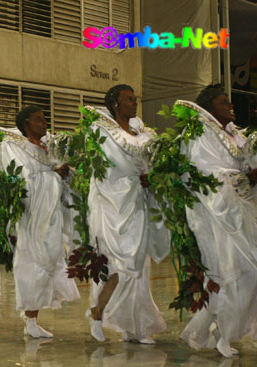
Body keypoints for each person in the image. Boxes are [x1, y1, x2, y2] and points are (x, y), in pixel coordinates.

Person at [85, 85, 169, 344]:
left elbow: (154, 162)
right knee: (116, 264)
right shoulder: (101, 131)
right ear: (115, 104)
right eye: (128, 100)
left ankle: (135, 327)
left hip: (138, 204)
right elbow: (111, 166)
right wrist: (138, 172)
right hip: (113, 204)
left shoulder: (143, 133)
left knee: (139, 267)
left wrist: (151, 176)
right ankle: (98, 312)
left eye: (135, 99)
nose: (134, 103)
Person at [179, 85, 257, 358]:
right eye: (224, 102)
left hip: (242, 211)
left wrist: (251, 172)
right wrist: (244, 177)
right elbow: (204, 173)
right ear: (211, 109)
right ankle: (223, 333)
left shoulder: (235, 135)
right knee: (229, 272)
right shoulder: (199, 133)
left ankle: (225, 328)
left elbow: (244, 164)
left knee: (251, 271)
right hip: (215, 215)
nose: (231, 106)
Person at [0, 106, 80, 338]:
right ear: (25, 124)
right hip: (31, 216)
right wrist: (54, 175)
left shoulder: (50, 148)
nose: (44, 123)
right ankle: (30, 321)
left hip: (51, 214)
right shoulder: (11, 147)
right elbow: (17, 179)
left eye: (45, 119)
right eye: (38, 119)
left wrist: (66, 174)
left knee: (50, 259)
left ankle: (33, 316)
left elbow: (62, 177)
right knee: (33, 263)